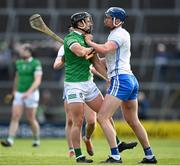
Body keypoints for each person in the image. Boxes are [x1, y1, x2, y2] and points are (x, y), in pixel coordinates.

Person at [85, 7, 157, 164]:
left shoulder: (119, 34)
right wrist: (92, 59)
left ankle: (115, 156)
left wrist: (89, 42)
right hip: (129, 79)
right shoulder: (115, 35)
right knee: (133, 121)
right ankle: (150, 156)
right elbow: (107, 59)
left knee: (103, 118)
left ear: (117, 20)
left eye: (108, 17)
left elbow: (104, 49)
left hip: (121, 79)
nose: (105, 19)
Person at [53, 43, 137, 159]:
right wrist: (63, 59)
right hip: (73, 86)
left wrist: (107, 77)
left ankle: (88, 138)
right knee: (72, 121)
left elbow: (94, 65)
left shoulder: (87, 45)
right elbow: (56, 65)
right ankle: (72, 150)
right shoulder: (64, 48)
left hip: (88, 86)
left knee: (95, 120)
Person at [1, 43, 43, 147]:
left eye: (23, 49)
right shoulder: (19, 62)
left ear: (29, 51)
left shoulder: (36, 63)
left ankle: (36, 139)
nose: (20, 50)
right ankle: (10, 140)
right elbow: (17, 77)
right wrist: (14, 91)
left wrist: (28, 92)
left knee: (31, 118)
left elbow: (37, 81)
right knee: (15, 116)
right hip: (19, 93)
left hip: (31, 94)